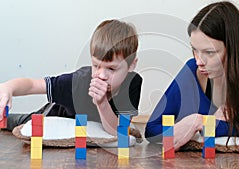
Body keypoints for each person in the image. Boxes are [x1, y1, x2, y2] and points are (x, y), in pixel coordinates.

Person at [145, 1, 239, 150]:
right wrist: (194, 121)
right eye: (195, 50)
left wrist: (201, 122)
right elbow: (151, 128)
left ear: (232, 48)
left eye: (209, 52)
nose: (199, 61)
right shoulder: (193, 68)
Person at [0, 19, 142, 136]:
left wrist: (102, 103)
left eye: (111, 69)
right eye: (96, 65)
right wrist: (8, 87)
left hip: (87, 135)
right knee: (14, 121)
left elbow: (117, 131)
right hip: (50, 119)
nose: (101, 75)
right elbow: (32, 85)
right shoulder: (77, 82)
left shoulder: (133, 84)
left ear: (131, 65)